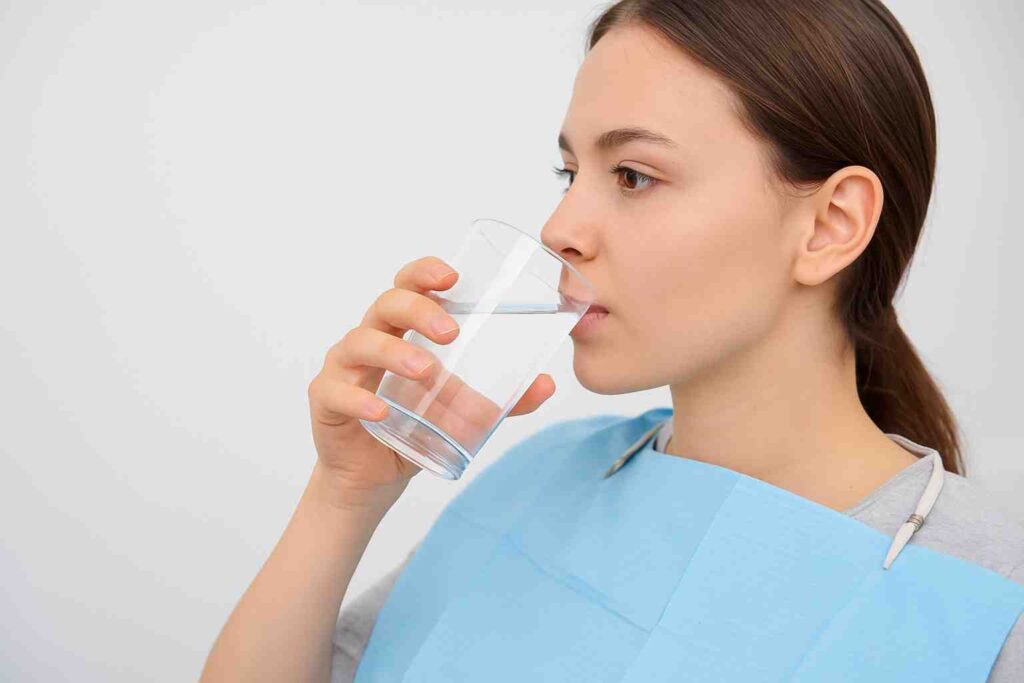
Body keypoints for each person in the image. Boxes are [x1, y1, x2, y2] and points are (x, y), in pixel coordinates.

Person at [200, 1, 1024, 681]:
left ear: (830, 224)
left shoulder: (994, 595)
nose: (560, 227)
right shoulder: (538, 479)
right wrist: (343, 496)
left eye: (633, 174)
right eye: (570, 173)